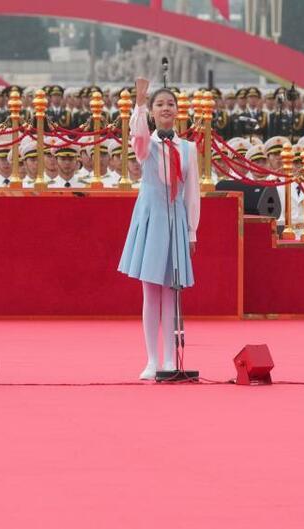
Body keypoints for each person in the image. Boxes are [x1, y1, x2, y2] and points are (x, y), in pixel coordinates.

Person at [118, 78, 201, 380]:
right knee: (151, 291)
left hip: (175, 218)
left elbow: (192, 192)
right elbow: (138, 136)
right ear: (153, 112)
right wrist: (139, 104)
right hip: (152, 216)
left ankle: (169, 358)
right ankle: (152, 359)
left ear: (178, 110)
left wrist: (191, 231)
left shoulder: (188, 148)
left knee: (171, 291)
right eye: (160, 104)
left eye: (170, 104)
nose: (166, 108)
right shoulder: (146, 145)